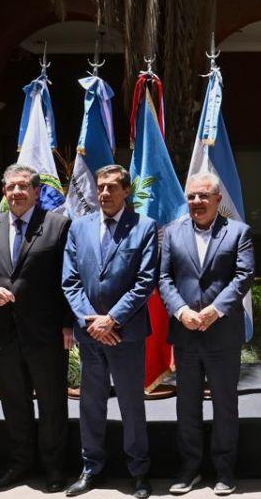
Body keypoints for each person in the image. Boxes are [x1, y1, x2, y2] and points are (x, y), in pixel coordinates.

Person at [0, 164, 73, 493]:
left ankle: (54, 468)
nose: (16, 192)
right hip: (5, 333)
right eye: (11, 187)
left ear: (36, 191)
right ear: (4, 192)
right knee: (14, 403)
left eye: (23, 187)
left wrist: (68, 324)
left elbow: (69, 279)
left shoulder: (57, 225)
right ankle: (19, 464)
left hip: (46, 333)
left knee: (52, 403)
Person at [61, 165, 156, 499]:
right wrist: (92, 321)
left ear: (126, 191)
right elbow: (70, 280)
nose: (104, 193)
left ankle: (139, 472)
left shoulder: (144, 227)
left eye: (112, 187)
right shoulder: (79, 227)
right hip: (91, 335)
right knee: (91, 405)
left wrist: (111, 320)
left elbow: (145, 282)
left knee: (132, 405)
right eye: (101, 187)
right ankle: (91, 469)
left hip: (125, 335)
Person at [158, 172, 255, 497]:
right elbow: (164, 278)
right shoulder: (171, 233)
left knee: (225, 404)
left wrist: (216, 310)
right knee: (186, 405)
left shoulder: (238, 232)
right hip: (185, 333)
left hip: (222, 334)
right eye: (192, 197)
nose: (196, 202)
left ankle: (225, 471)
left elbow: (244, 275)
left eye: (203, 196)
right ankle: (190, 470)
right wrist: (181, 311)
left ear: (217, 200)